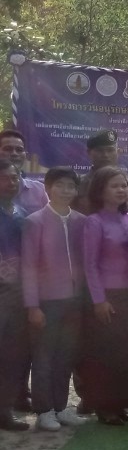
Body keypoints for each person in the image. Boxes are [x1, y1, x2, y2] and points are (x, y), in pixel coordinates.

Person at [79, 166, 128, 424]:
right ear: (100, 190)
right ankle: (105, 407)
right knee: (106, 354)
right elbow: (90, 265)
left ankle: (123, 403)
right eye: (114, 186)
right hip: (107, 296)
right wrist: (99, 300)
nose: (121, 190)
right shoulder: (93, 222)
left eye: (123, 185)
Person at [21, 167, 86, 432]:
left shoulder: (81, 221)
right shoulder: (34, 222)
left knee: (65, 355)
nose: (66, 191)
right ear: (48, 188)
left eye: (71, 186)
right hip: (47, 302)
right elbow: (28, 267)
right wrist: (32, 305)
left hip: (75, 301)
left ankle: (61, 407)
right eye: (60, 185)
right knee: (44, 357)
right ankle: (44, 410)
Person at [0, 160, 31, 430]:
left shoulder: (21, 214)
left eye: (15, 178)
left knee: (12, 356)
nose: (12, 182)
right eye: (6, 178)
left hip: (18, 296)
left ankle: (5, 411)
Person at [73, 130, 128, 213]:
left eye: (110, 150)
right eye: (99, 151)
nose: (105, 155)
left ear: (118, 152)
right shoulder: (77, 184)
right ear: (89, 153)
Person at [0, 129, 48, 216]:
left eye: (19, 150)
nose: (14, 153)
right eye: (8, 149)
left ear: (25, 154)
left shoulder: (39, 191)